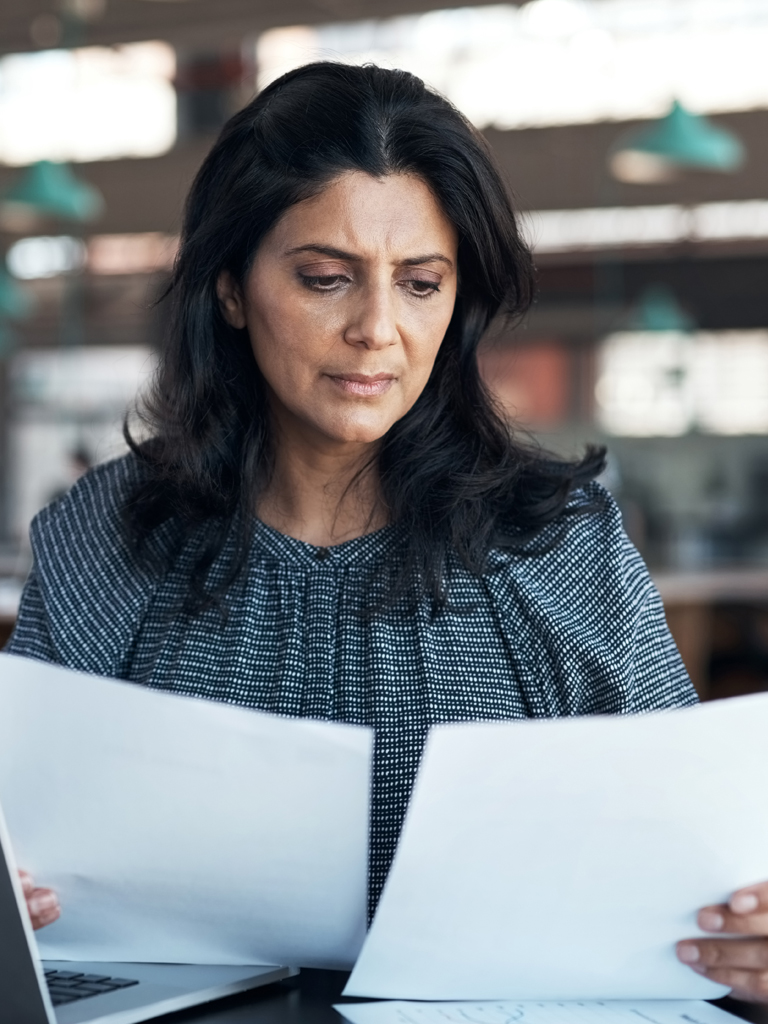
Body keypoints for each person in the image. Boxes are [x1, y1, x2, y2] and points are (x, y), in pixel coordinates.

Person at [6, 62, 768, 1002]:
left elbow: (698, 868)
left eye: (420, 282)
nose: (378, 328)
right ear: (232, 290)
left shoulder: (559, 544)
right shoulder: (108, 534)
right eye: (326, 279)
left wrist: (745, 937)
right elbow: (19, 842)